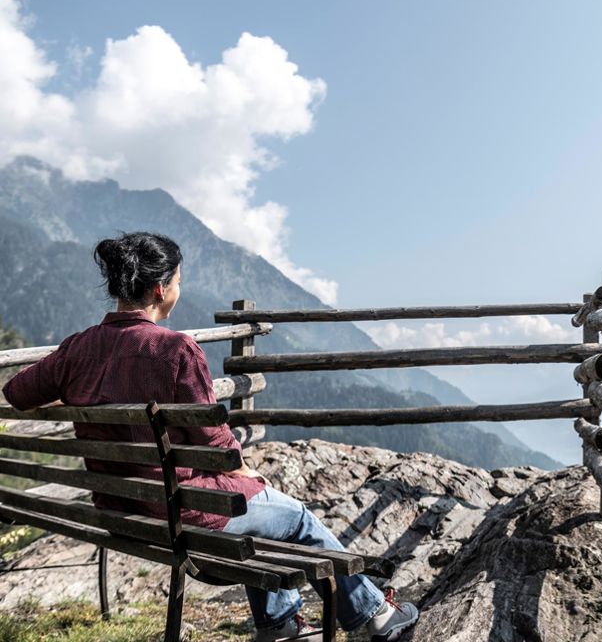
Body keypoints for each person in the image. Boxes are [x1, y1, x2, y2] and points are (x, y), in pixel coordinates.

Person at [1, 232, 419, 642]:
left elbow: (16, 393)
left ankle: (281, 623)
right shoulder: (175, 351)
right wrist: (250, 475)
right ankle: (374, 615)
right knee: (292, 515)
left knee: (260, 509)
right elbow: (215, 443)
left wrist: (79, 402)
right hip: (182, 518)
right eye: (179, 282)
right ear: (161, 288)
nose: (179, 290)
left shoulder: (77, 349)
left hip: (123, 513)